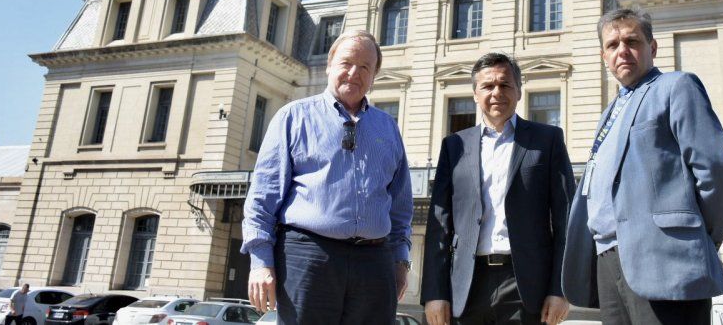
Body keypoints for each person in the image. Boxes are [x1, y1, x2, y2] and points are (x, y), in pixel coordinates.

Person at [561, 8, 723, 325]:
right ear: (604, 56)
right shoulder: (609, 113)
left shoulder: (676, 86)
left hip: (667, 258)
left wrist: (696, 237)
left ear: (652, 47)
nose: (622, 51)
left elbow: (714, 170)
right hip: (608, 260)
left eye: (632, 41)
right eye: (612, 45)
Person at [242, 29, 413, 324]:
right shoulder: (293, 117)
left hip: (375, 263)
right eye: (346, 63)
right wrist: (260, 262)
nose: (354, 73)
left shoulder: (388, 128)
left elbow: (400, 204)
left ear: (374, 76)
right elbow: (262, 198)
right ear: (329, 64)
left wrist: (400, 260)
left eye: (365, 67)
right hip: (308, 257)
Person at [422, 52, 576, 325]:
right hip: (466, 287)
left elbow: (566, 219)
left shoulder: (548, 140)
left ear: (518, 90)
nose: (496, 92)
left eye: (505, 84)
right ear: (475, 94)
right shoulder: (454, 146)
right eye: (488, 86)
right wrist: (435, 293)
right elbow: (439, 226)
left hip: (526, 287)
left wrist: (560, 289)